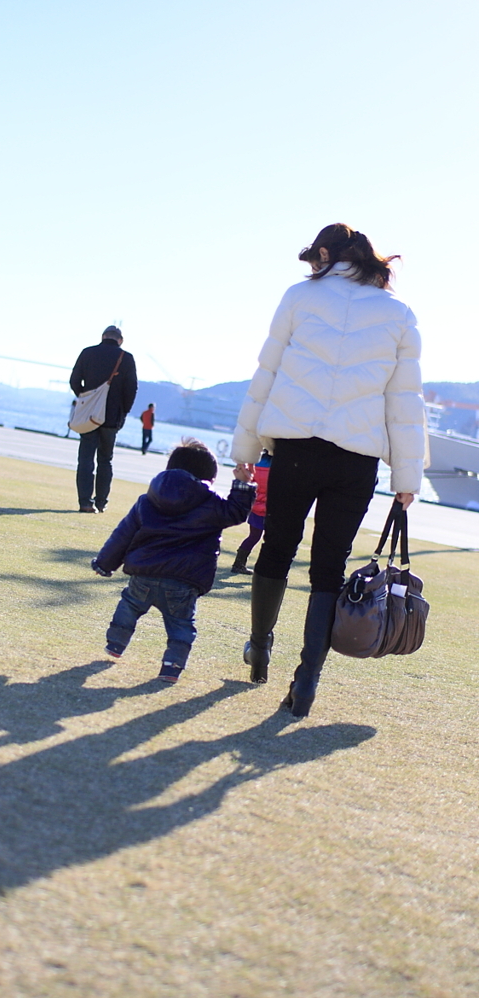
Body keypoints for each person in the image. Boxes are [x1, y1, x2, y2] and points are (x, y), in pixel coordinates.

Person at [231, 223, 426, 717]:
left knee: (277, 546)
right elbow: (404, 402)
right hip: (355, 459)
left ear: (324, 253)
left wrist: (247, 447)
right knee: (328, 568)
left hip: (296, 447)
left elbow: (266, 375)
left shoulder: (299, 297)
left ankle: (260, 647)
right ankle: (309, 677)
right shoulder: (399, 314)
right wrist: (406, 478)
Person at [91, 438, 255, 681]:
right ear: (209, 475)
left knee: (130, 605)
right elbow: (236, 512)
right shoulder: (211, 502)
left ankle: (116, 643)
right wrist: (243, 484)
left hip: (144, 573)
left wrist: (104, 563)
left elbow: (123, 534)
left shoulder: (147, 499)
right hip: (184, 579)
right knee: (180, 624)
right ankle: (172, 665)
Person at [69, 326, 138, 512]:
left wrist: (85, 397)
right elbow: (131, 390)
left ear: (102, 337)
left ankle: (84, 502)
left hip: (89, 416)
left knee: (85, 459)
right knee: (105, 460)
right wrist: (123, 412)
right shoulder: (126, 358)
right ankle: (101, 502)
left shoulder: (88, 353)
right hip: (111, 417)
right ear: (120, 340)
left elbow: (74, 380)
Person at [231, 449, 272, 574]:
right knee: (272, 541)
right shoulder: (279, 466)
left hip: (255, 506)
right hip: (271, 509)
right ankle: (265, 570)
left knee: (253, 536)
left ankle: (238, 563)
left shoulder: (255, 463)